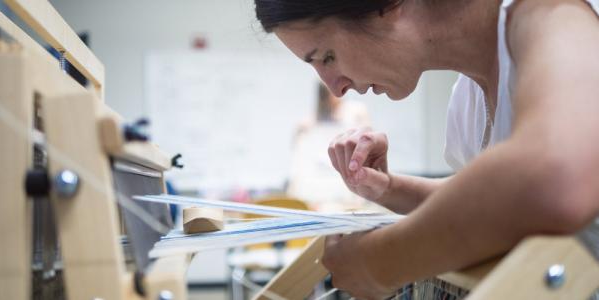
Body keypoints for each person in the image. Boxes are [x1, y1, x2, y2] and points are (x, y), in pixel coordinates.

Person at [254, 0, 599, 299]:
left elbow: (558, 177)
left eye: (327, 56)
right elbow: (502, 204)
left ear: (385, 6)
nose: (336, 88)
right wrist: (392, 189)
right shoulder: (468, 99)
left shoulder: (550, 13)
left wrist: (381, 263)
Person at [288, 82, 370, 211]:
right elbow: (300, 164)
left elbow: (366, 147)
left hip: (347, 196)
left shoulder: (355, 113)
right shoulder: (308, 126)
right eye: (329, 94)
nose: (336, 96)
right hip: (318, 195)